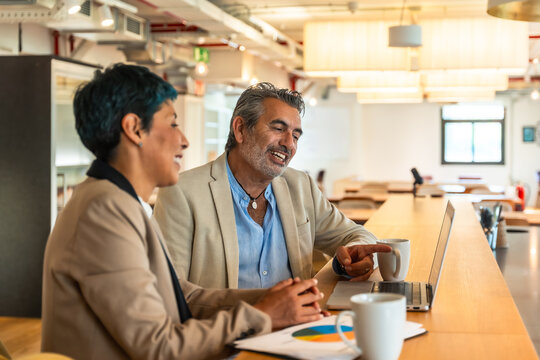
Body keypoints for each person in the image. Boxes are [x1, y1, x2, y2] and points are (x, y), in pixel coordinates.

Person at [41, 65, 326, 360]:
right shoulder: (102, 214)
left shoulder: (119, 202)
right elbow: (157, 346)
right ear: (134, 128)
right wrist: (262, 316)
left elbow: (182, 297)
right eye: (172, 123)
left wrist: (273, 300)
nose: (184, 141)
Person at [154, 82, 390, 289]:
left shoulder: (301, 186)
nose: (289, 143)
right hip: (224, 334)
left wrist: (348, 260)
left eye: (296, 135)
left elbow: (357, 234)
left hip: (296, 331)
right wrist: (266, 305)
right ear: (240, 129)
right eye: (278, 129)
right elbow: (173, 293)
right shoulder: (182, 192)